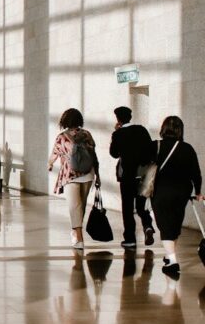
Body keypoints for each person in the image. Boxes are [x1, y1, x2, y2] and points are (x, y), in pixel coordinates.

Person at [150, 115, 203, 279]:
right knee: (173, 225)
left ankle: (172, 261)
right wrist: (198, 192)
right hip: (182, 193)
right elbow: (196, 173)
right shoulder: (187, 148)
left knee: (165, 226)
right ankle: (169, 255)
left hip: (160, 191)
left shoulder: (155, 146)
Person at [48, 108, 100, 251]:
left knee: (74, 206)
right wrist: (98, 176)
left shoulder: (62, 137)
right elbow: (94, 157)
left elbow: (54, 154)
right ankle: (77, 233)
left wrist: (50, 164)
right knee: (80, 206)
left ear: (65, 121)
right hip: (88, 175)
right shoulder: (87, 134)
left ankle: (78, 237)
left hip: (70, 175)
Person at [109, 106, 156, 249]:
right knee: (141, 206)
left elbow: (114, 154)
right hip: (142, 174)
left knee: (127, 208)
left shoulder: (118, 134)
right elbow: (150, 149)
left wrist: (115, 133)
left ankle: (130, 239)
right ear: (130, 117)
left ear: (118, 119)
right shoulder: (141, 130)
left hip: (127, 176)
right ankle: (148, 226)